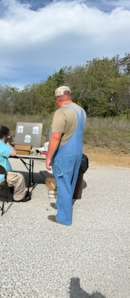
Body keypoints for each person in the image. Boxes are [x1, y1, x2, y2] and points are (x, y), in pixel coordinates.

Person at [46, 86, 86, 225]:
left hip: (64, 153)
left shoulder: (61, 112)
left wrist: (48, 157)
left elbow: (56, 137)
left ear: (58, 98)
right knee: (70, 182)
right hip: (77, 152)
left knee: (62, 184)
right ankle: (60, 205)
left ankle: (64, 218)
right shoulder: (81, 111)